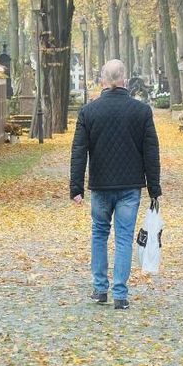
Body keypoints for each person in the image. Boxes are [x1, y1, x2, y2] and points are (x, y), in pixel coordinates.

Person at [70, 59, 162, 310]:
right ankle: (120, 294)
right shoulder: (141, 112)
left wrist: (76, 188)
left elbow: (79, 150)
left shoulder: (89, 112)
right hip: (130, 186)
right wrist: (154, 189)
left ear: (103, 79)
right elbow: (151, 152)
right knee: (123, 238)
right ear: (124, 79)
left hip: (100, 186)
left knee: (99, 234)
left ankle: (100, 289)